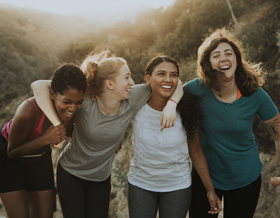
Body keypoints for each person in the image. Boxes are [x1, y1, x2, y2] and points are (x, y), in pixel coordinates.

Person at [31, 51, 182, 218]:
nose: (132, 82)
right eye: (126, 77)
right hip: (70, 173)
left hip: (100, 179)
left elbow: (176, 83)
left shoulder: (133, 97)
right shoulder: (86, 99)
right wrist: (57, 124)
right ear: (110, 84)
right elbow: (38, 85)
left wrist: (171, 105)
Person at [184, 28, 280, 218]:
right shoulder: (195, 90)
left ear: (237, 59)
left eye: (229, 53)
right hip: (205, 176)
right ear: (208, 63)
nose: (224, 58)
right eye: (216, 55)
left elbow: (278, 133)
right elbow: (169, 91)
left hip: (246, 177)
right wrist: (171, 106)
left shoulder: (254, 93)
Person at [127, 56, 222, 218]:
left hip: (177, 186)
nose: (168, 79)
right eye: (161, 74)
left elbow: (196, 152)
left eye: (174, 75)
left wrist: (210, 190)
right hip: (140, 184)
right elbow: (112, 113)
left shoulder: (188, 109)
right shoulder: (136, 102)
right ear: (148, 79)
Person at [0, 63, 87, 218]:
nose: (73, 108)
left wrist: (111, 141)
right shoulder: (28, 111)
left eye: (78, 102)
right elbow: (12, 152)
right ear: (52, 94)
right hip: (8, 157)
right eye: (67, 101)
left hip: (39, 156)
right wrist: (46, 138)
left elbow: (78, 132)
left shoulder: (73, 111)